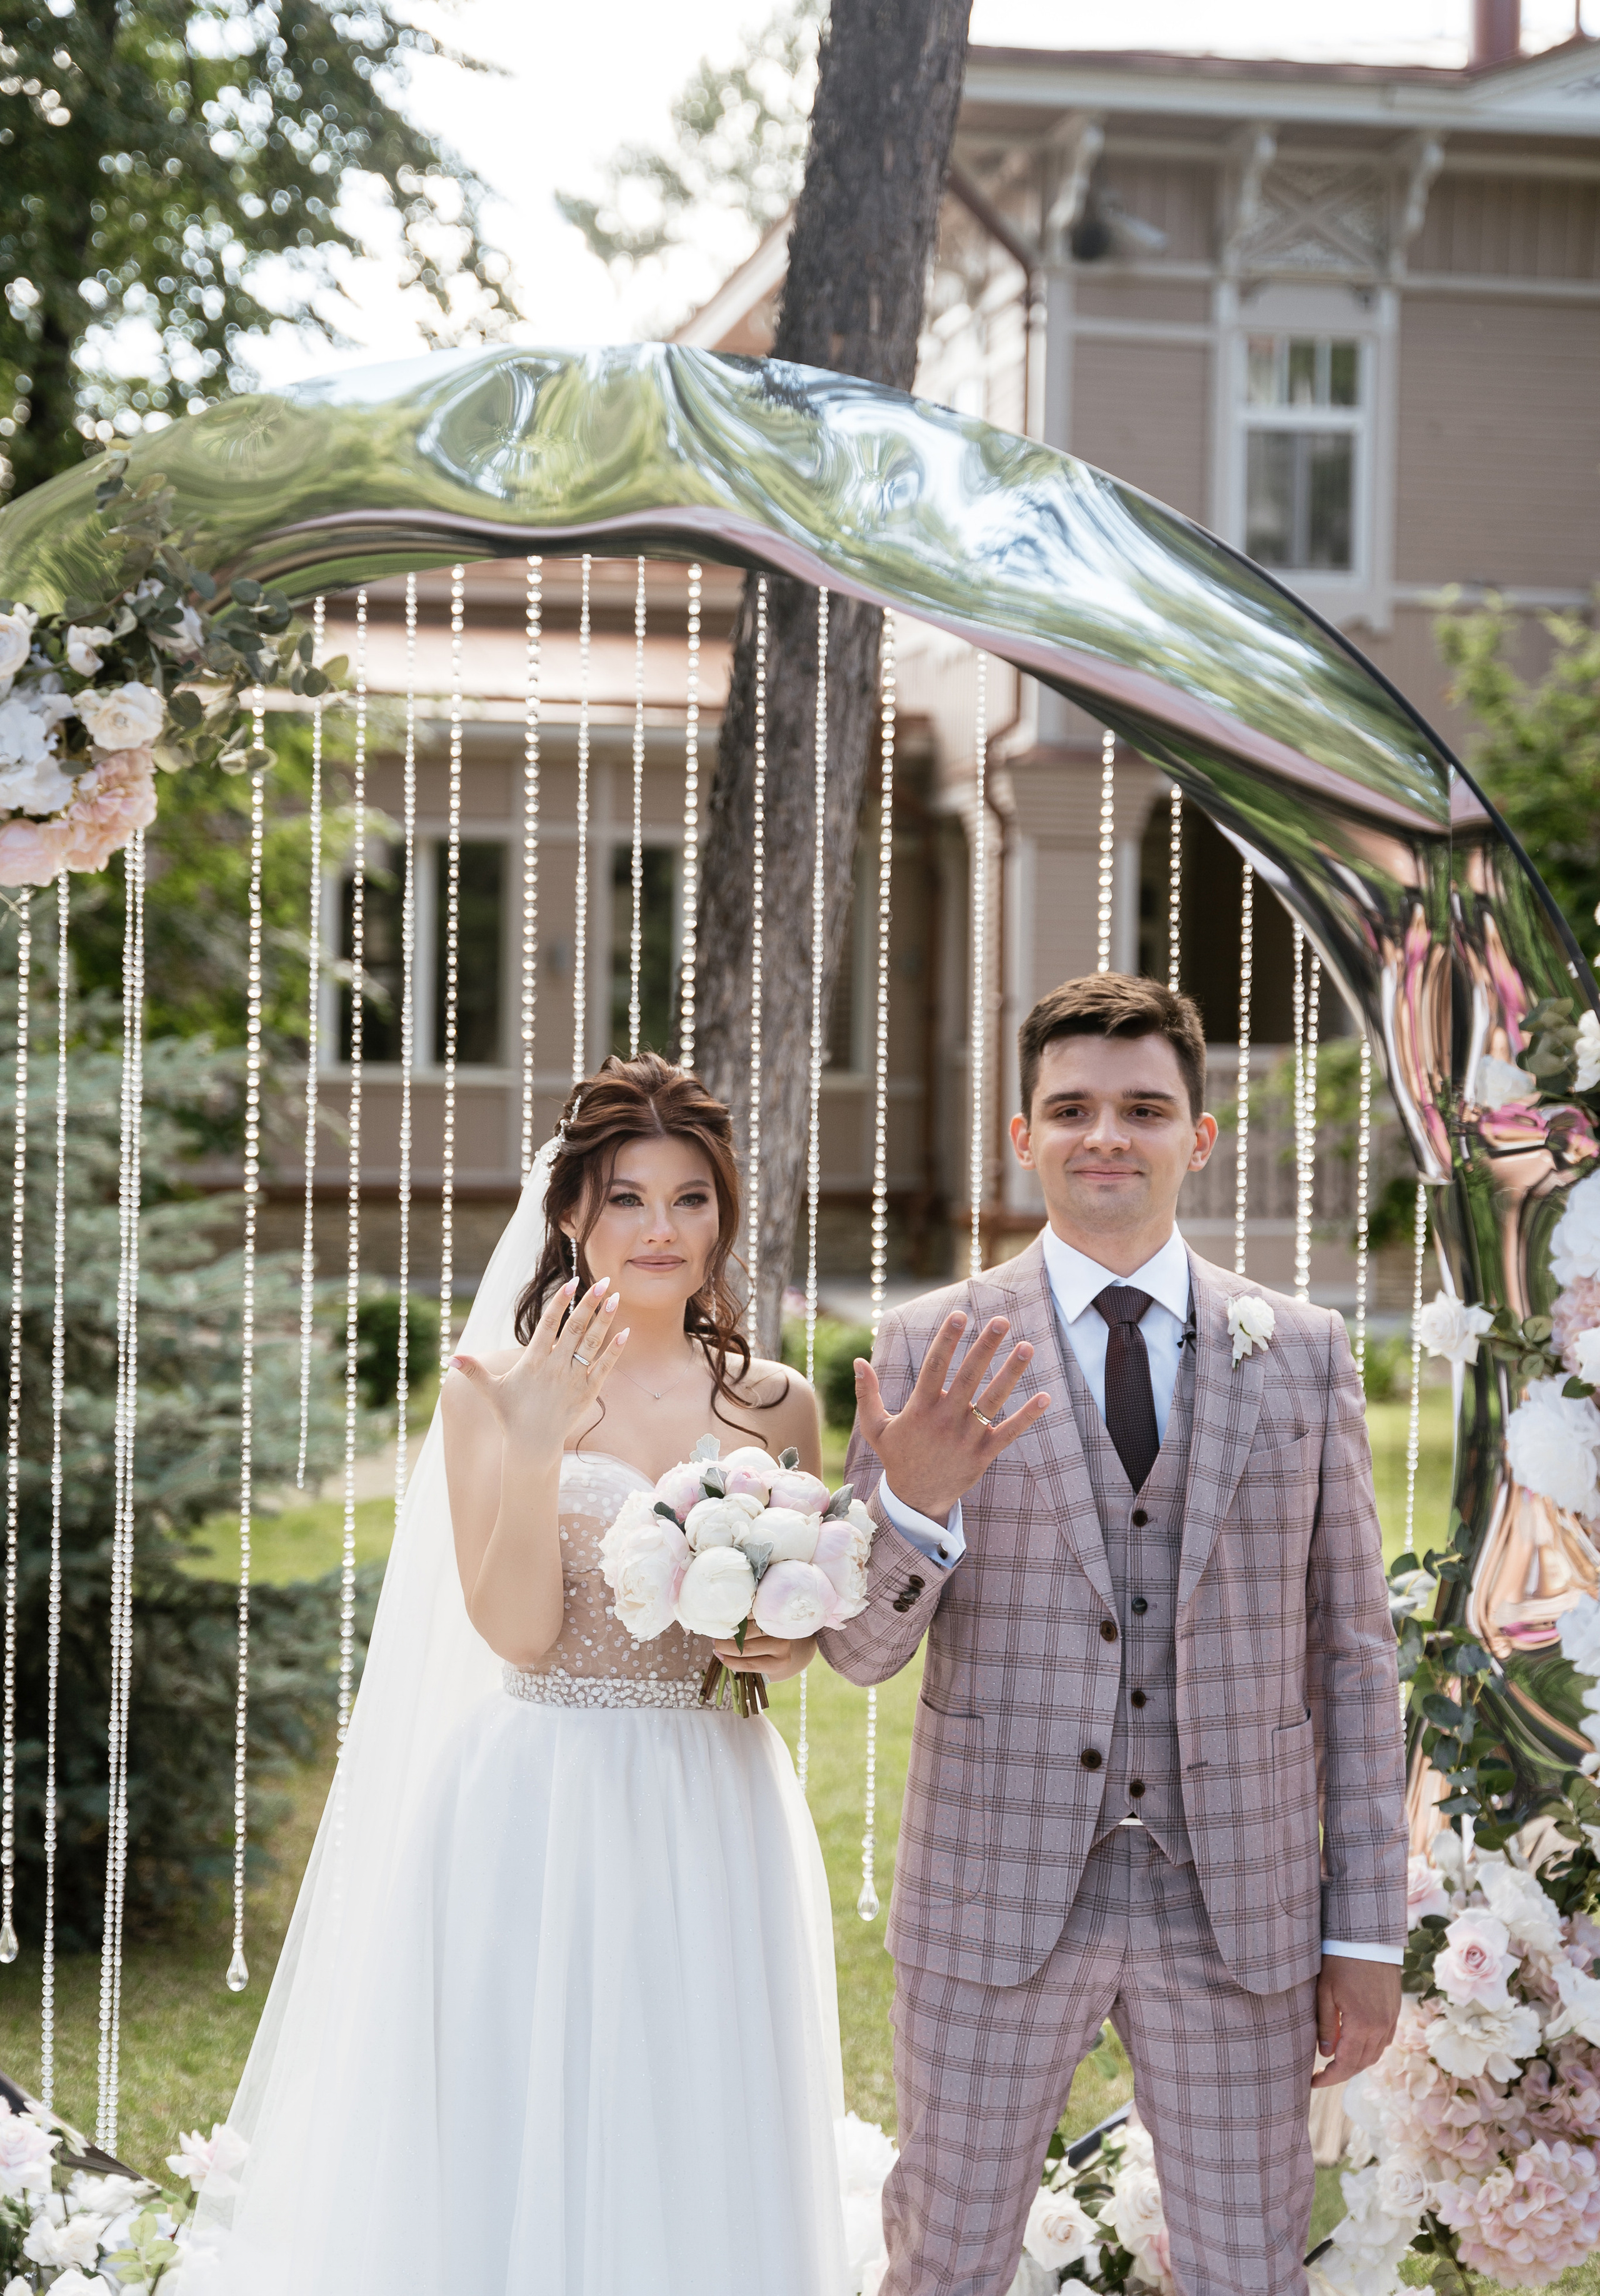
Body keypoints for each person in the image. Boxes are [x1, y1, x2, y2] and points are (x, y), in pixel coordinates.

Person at [201, 1053, 849, 2296]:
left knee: (697, 2088)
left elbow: (798, 1627)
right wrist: (542, 1445)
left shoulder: (777, 1407)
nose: (661, 1231)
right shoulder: (491, 1391)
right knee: (528, 2097)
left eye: (690, 1199)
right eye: (625, 1199)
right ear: (567, 1215)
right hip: (539, 1793)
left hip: (712, 1791)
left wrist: (782, 1639)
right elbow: (511, 1631)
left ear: (724, 1212)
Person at [819, 973, 1408, 2296]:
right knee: (944, 2260)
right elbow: (854, 1650)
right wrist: (912, 1501)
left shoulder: (1302, 1355)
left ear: (1196, 1138)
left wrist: (1364, 1936)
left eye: (1142, 1109)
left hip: (1236, 1908)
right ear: (1020, 1135)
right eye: (1070, 1108)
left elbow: (1351, 1660)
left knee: (1249, 2268)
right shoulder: (926, 1349)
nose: (1105, 1137)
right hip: (992, 1896)